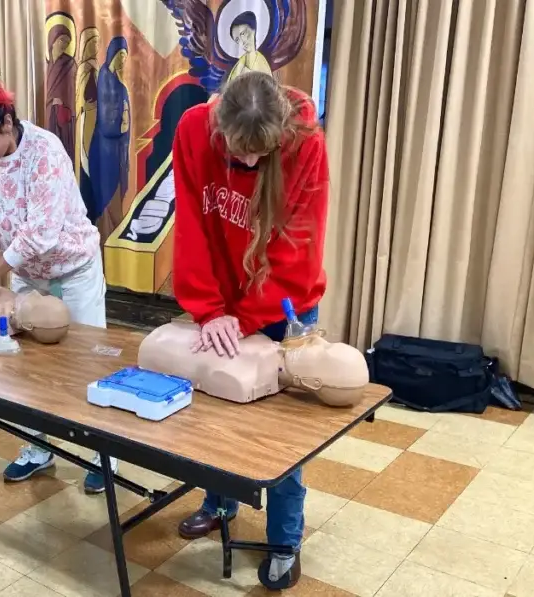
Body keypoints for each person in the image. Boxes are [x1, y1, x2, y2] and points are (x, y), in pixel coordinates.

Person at [171, 71, 328, 589]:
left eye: (263, 155)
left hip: (282, 301)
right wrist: (210, 308)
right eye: (240, 154)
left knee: (278, 433)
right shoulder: (194, 128)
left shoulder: (305, 140)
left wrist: (246, 316)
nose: (251, 164)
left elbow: (297, 246)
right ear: (221, 127)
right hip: (222, 299)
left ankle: (284, 539)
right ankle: (219, 503)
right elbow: (192, 222)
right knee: (216, 407)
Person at [0, 73, 115, 493]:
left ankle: (101, 455)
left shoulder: (44, 151)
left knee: (85, 363)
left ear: (6, 122)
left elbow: (43, 230)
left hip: (73, 269)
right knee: (25, 368)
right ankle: (38, 447)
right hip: (25, 275)